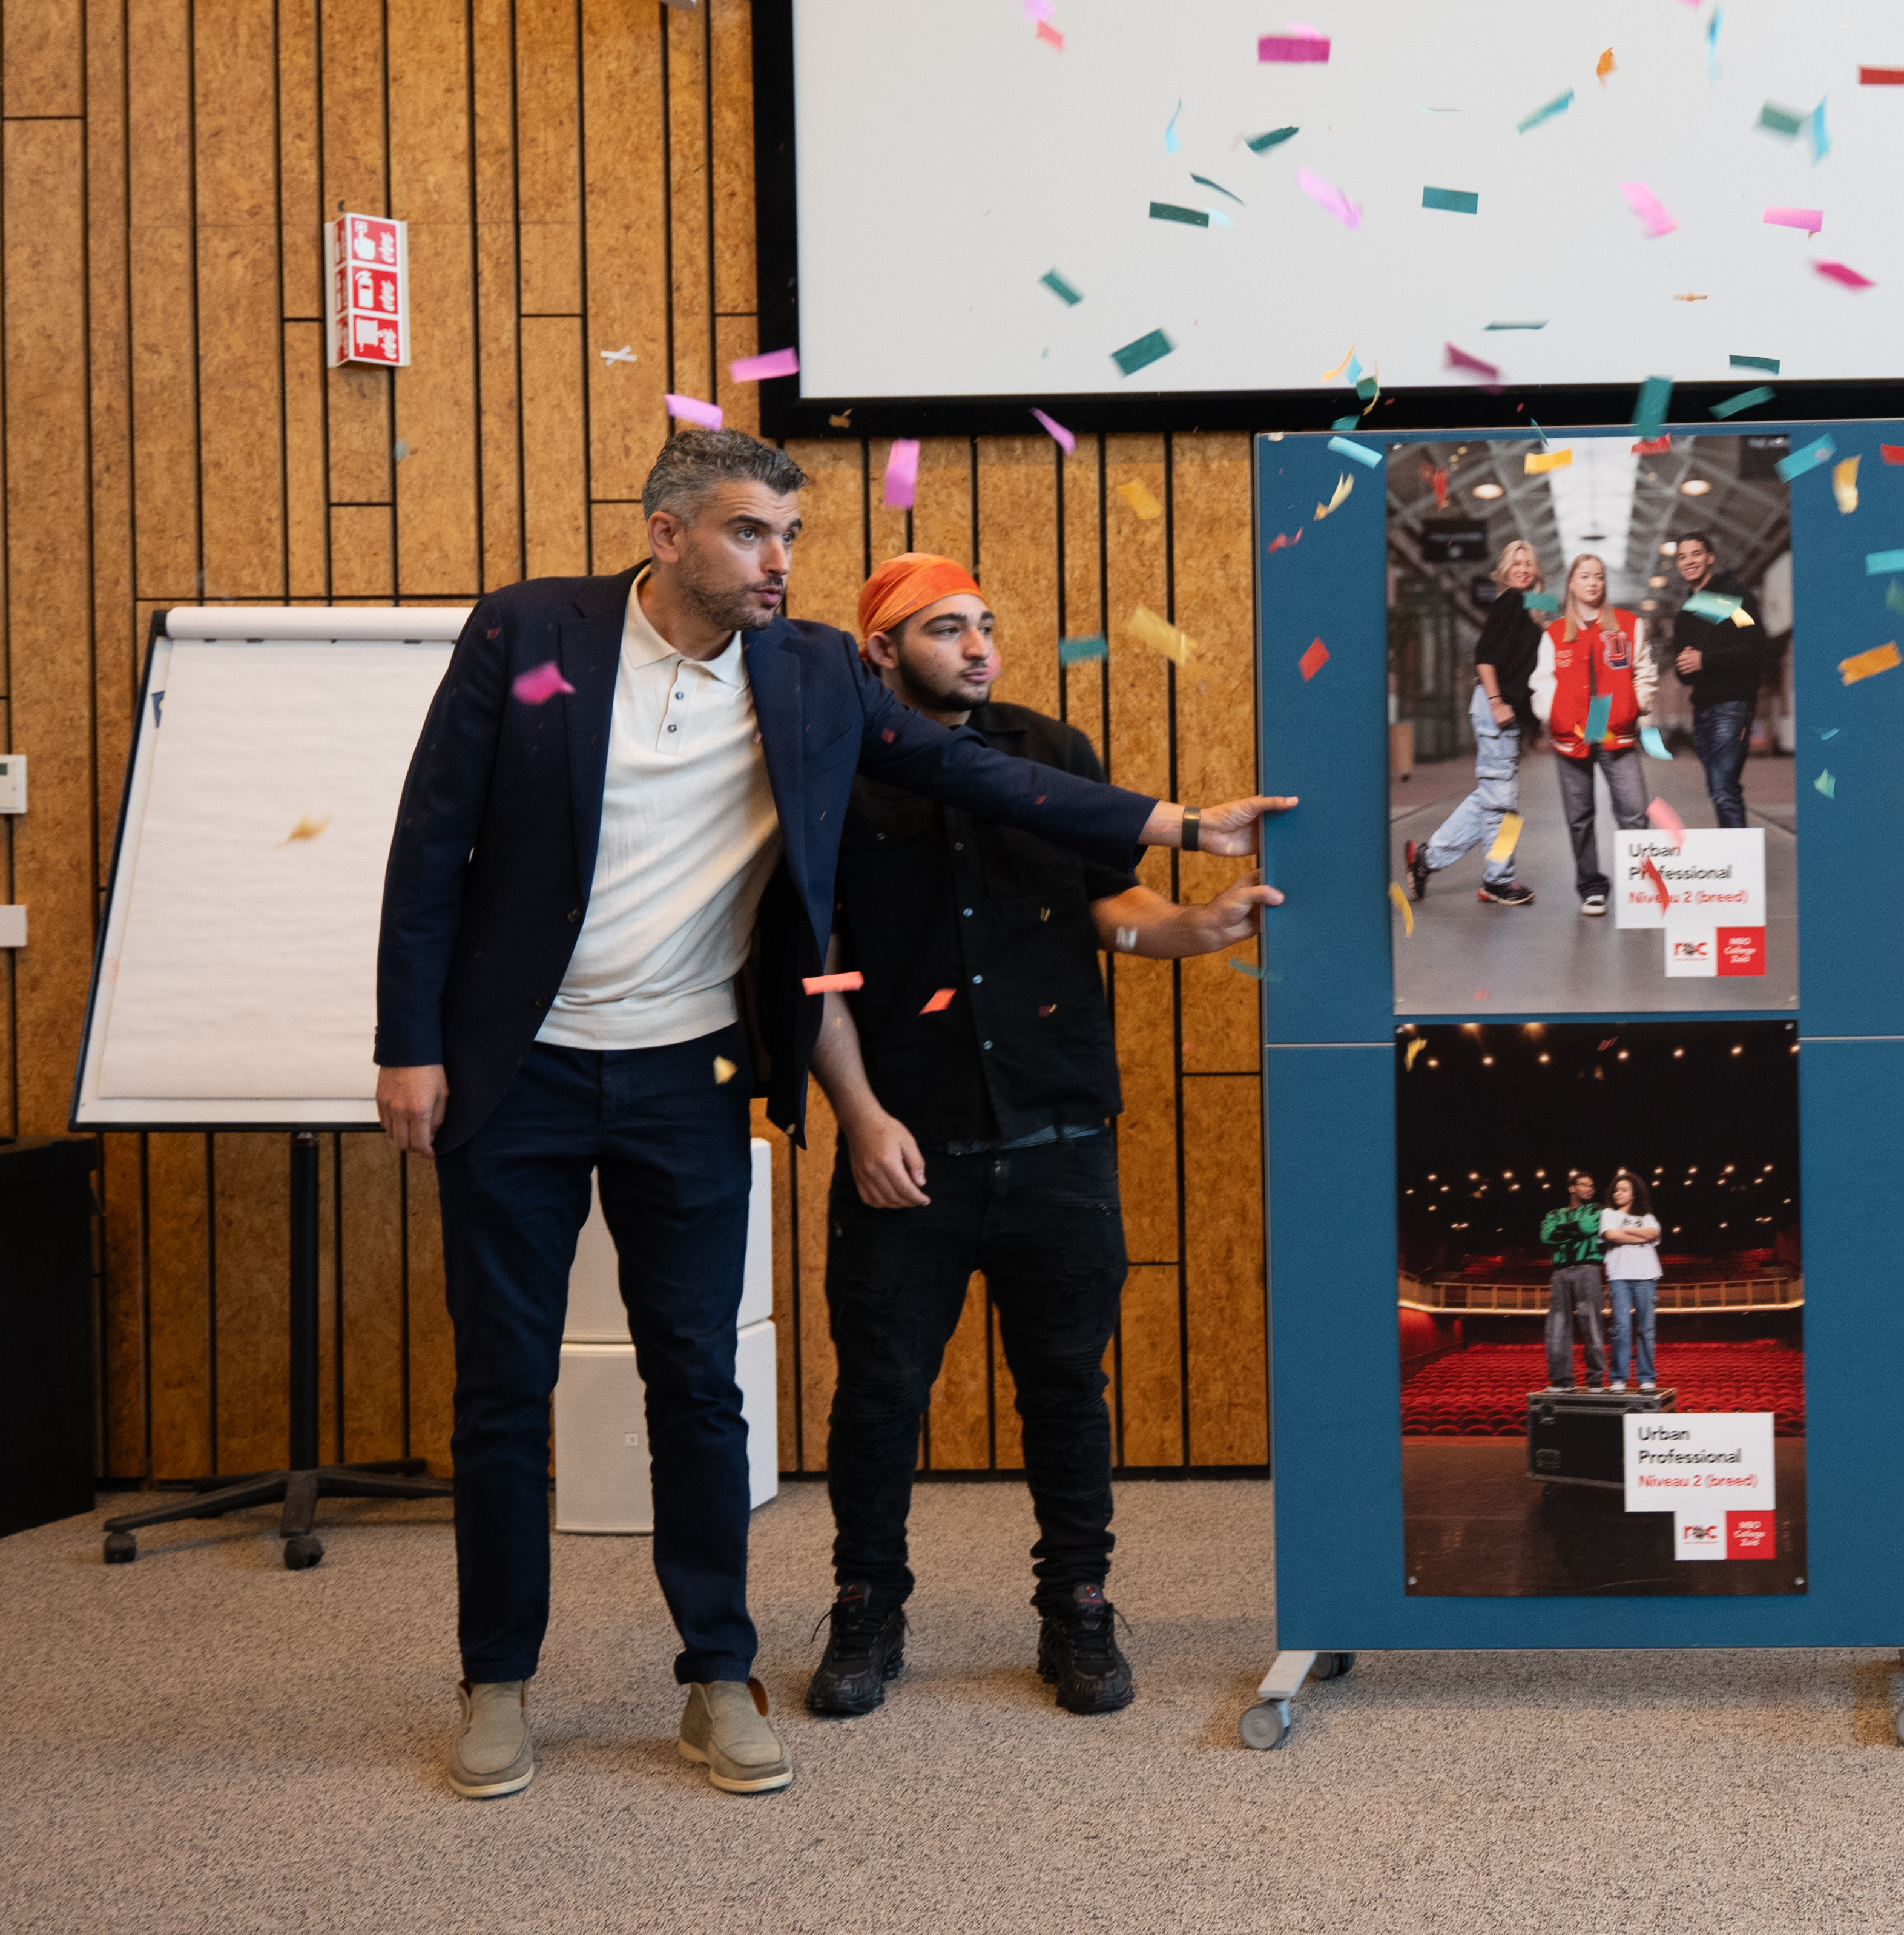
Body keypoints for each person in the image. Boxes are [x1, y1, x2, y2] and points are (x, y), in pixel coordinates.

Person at [374, 427, 1293, 1801]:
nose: (781, 563)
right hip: (523, 1069)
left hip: (689, 1074)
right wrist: (408, 1042)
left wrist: (1173, 822)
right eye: (753, 533)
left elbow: (976, 775)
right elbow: (431, 835)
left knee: (698, 1381)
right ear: (670, 532)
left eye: (792, 537)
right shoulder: (531, 635)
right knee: (506, 1387)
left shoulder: (806, 670)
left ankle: (717, 1676)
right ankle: (497, 1679)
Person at [801, 553, 1278, 1724]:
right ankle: (868, 1605)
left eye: (986, 626)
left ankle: (1076, 1604)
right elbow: (813, 972)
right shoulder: (832, 775)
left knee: (1066, 1387)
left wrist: (1195, 928)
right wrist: (859, 1119)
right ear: (880, 650)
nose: (979, 649)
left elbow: (1109, 907)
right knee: (879, 1395)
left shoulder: (1053, 755)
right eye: (944, 630)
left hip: (1060, 1135)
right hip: (903, 1144)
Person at [1406, 539, 1543, 909]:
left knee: (1491, 798)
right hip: (1495, 705)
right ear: (1504, 569)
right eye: (1516, 563)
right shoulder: (1510, 601)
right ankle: (1497, 880)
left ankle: (1426, 858)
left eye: (1529, 563)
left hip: (1506, 711)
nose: (1523, 568)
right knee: (1502, 803)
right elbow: (1484, 658)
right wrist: (1498, 701)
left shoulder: (1530, 605)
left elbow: (1559, 616)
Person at [1540, 554, 1656, 917]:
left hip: (1614, 730)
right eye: (1585, 576)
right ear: (1571, 584)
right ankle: (1592, 887)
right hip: (1571, 733)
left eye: (1599, 577)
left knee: (1634, 812)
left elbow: (1644, 672)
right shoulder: (1555, 633)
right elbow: (1542, 682)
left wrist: (1635, 705)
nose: (1593, 582)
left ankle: (1640, 888)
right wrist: (1553, 714)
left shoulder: (1628, 625)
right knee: (1580, 816)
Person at [1668, 531, 1765, 828]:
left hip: (1732, 703)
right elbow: (1683, 669)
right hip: (1703, 708)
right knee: (1719, 787)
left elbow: (1754, 646)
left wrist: (1704, 660)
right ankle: (1734, 856)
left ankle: (1740, 865)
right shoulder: (1686, 612)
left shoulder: (1734, 597)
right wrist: (1684, 667)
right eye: (1682, 557)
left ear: (1710, 558)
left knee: (1723, 787)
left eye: (1695, 554)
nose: (1689, 562)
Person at [1537, 1171, 1613, 1391]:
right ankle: (1562, 1380)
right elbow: (1546, 1235)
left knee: (1591, 1325)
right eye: (1583, 1185)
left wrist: (1566, 1231)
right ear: (1571, 1188)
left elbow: (1590, 1227)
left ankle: (1595, 1379)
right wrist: (1577, 1229)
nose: (1589, 1189)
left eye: (1591, 1186)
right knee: (1557, 1327)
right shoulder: (1554, 1213)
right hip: (1560, 1273)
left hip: (1587, 1269)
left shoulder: (1597, 1210)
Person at [1599, 1171, 1667, 1392]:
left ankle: (1646, 1377)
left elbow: (1654, 1233)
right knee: (1621, 1328)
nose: (1618, 1193)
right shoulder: (1609, 1213)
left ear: (1634, 1194)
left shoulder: (1646, 1215)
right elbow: (1612, 1236)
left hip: (1647, 1276)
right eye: (1616, 1190)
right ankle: (1619, 1377)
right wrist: (1640, 1235)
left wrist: (1628, 1228)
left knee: (1646, 1329)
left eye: (1624, 1189)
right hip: (1619, 1276)